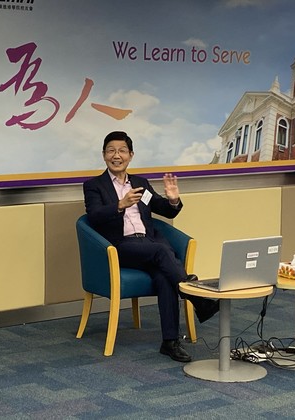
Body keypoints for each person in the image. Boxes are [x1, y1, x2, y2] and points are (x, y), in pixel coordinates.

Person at [83, 131, 219, 362]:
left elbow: (163, 209)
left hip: (147, 245)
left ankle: (170, 342)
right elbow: (94, 217)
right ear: (104, 155)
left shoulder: (140, 183)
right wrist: (120, 205)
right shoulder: (94, 186)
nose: (117, 155)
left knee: (164, 277)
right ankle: (197, 297)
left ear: (131, 155)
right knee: (162, 251)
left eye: (122, 151)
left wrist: (173, 200)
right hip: (120, 247)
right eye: (111, 151)